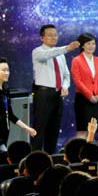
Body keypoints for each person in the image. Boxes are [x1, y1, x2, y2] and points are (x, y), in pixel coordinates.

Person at [32, 24, 80, 154]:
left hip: (57, 95)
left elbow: (66, 75)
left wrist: (65, 86)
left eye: (55, 35)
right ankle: (35, 159)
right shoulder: (38, 52)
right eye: (50, 35)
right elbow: (49, 54)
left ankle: (50, 156)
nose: (54, 38)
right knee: (39, 128)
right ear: (42, 38)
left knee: (54, 129)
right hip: (43, 94)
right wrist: (67, 48)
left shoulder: (61, 55)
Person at [71, 32, 98, 139]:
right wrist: (89, 96)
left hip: (96, 99)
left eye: (93, 44)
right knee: (82, 130)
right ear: (82, 45)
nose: (91, 46)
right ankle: (77, 153)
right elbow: (77, 81)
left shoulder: (97, 60)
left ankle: (90, 153)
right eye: (88, 44)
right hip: (83, 99)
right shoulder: (77, 60)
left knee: (92, 131)